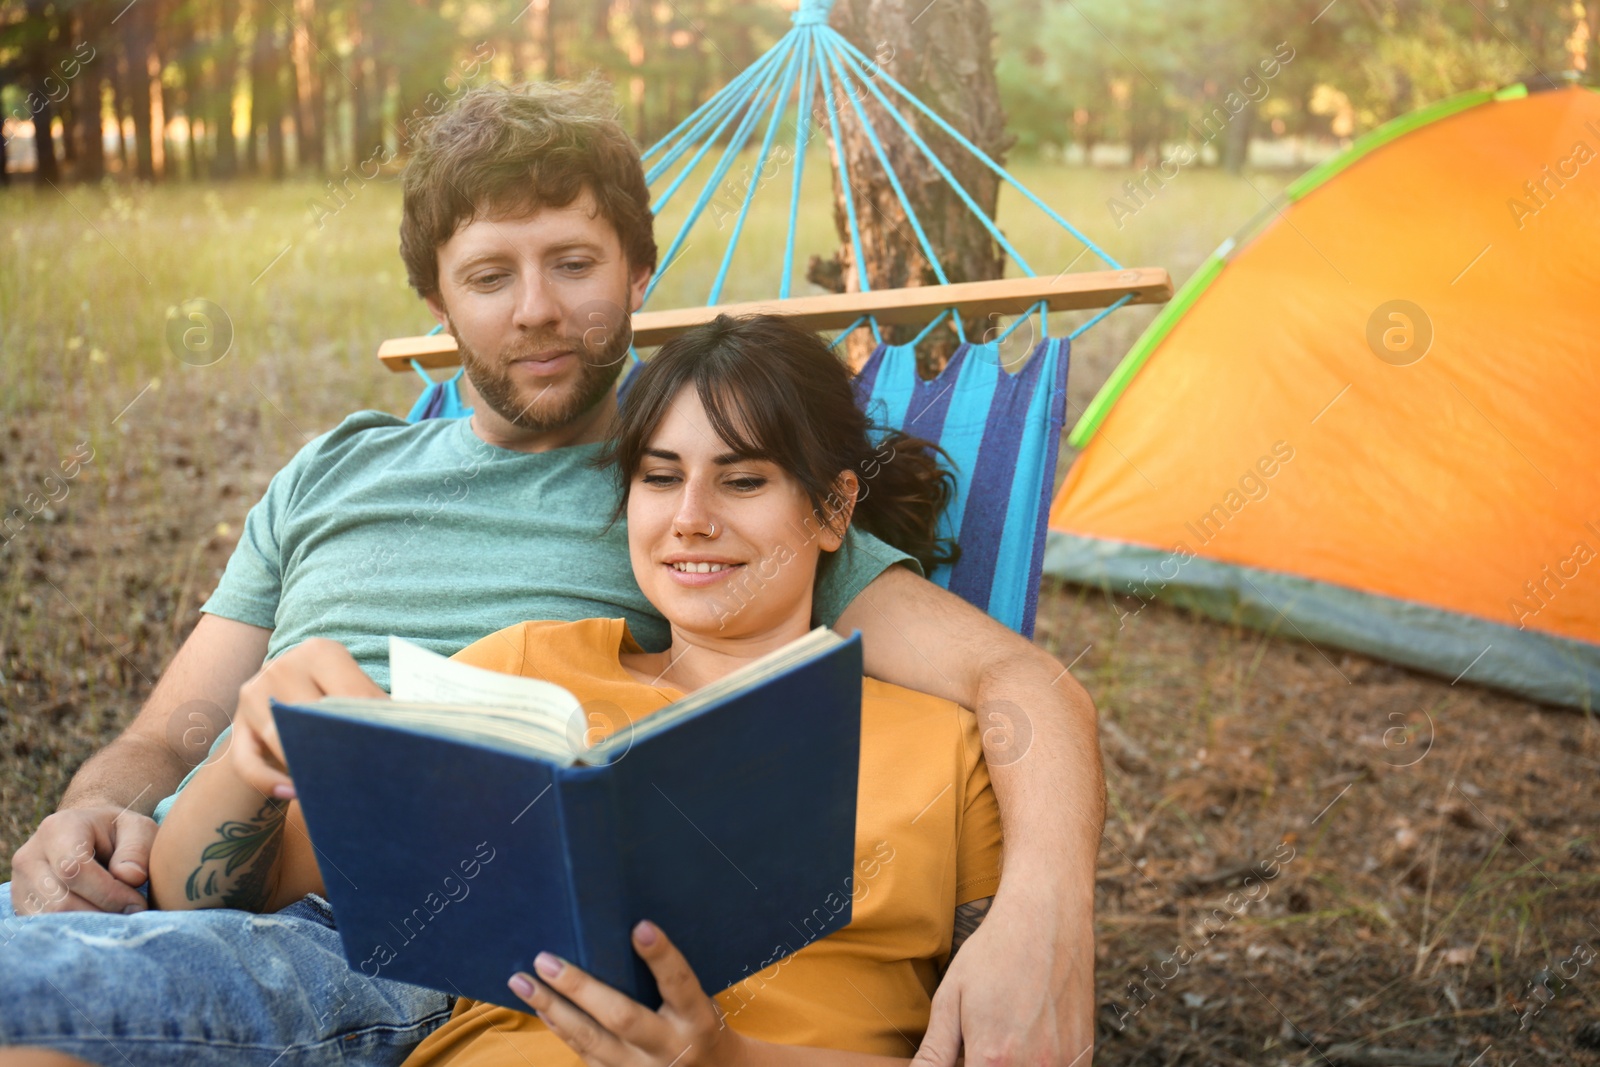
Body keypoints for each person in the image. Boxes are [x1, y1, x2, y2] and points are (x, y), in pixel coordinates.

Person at [0, 78, 1103, 1067]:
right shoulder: (330, 468)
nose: (535, 308)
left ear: (637, 268)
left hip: (408, 939)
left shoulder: (693, 502)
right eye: (489, 275)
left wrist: (1045, 919)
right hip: (190, 874)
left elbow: (1021, 687)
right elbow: (169, 735)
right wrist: (90, 813)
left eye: (573, 263)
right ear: (437, 301)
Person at [150, 313, 1004, 1067]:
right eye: (660, 476)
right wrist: (253, 756)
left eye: (743, 480)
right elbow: (209, 898)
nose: (690, 517)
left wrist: (730, 1060)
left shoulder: (947, 747)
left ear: (830, 509)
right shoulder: (523, 673)